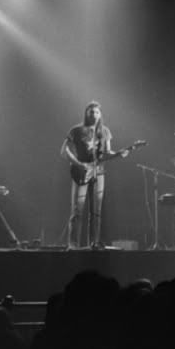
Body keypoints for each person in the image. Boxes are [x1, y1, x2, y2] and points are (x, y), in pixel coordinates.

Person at [61, 101, 125, 249]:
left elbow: (107, 153)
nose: (94, 115)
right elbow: (64, 151)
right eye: (91, 112)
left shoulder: (105, 131)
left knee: (96, 212)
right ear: (86, 113)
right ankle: (73, 245)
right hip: (81, 173)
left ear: (100, 114)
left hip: (99, 173)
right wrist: (79, 164)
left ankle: (94, 244)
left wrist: (120, 154)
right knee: (77, 210)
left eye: (97, 112)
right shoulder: (76, 130)